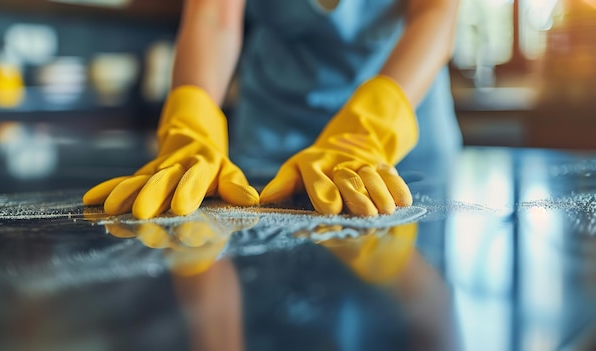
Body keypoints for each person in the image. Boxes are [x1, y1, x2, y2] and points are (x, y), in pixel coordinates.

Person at [83, 0, 462, 219]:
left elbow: (435, 14)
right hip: (270, 133)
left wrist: (369, 131)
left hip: (399, 136)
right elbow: (212, 17)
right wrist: (191, 125)